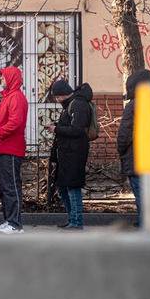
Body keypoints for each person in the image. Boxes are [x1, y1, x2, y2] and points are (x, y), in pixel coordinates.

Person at [117, 69, 150, 229]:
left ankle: (146, 225)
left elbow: (125, 133)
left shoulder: (135, 104)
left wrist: (120, 148)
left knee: (141, 194)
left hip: (136, 157)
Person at [46, 79, 92, 231]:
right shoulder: (71, 104)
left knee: (72, 187)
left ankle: (76, 221)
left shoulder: (78, 104)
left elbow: (77, 130)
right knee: (62, 187)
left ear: (64, 94)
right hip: (67, 153)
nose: (57, 100)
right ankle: (72, 218)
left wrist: (56, 130)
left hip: (74, 153)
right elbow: (71, 127)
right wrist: (57, 126)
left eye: (58, 97)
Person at [0, 67, 28, 235]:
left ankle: (15, 224)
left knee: (11, 186)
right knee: (4, 187)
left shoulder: (16, 98)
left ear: (11, 78)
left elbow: (15, 122)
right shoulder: (9, 97)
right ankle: (9, 220)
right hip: (3, 148)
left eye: (3, 77)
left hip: (10, 148)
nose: (1, 79)